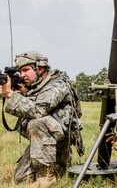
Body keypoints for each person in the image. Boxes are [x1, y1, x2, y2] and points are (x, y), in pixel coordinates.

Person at [0, 51, 84, 188]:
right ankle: (58, 168)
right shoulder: (35, 86)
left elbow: (38, 110)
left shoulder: (57, 84)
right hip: (43, 144)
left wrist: (10, 94)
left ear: (40, 68)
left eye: (26, 70)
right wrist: (19, 92)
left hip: (61, 142)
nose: (22, 75)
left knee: (38, 122)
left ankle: (47, 177)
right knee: (21, 178)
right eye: (20, 71)